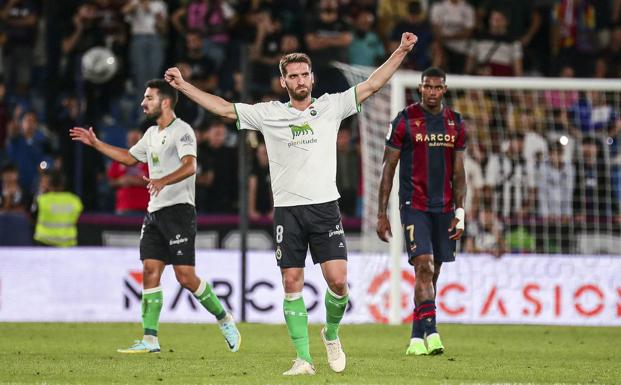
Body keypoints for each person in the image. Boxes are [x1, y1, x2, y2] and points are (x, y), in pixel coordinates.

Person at [164, 32, 418, 375]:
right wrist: (183, 86)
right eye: (293, 76)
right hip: (288, 211)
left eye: (304, 74)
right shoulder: (269, 114)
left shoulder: (330, 106)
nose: (300, 80)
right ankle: (303, 359)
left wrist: (400, 50)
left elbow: (372, 85)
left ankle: (330, 333)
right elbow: (224, 108)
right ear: (284, 81)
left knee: (339, 281)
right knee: (291, 283)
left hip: (325, 206)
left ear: (312, 77)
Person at [69, 79, 240, 354]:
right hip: (154, 213)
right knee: (150, 271)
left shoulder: (182, 131)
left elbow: (190, 166)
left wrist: (163, 181)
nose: (143, 102)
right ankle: (150, 339)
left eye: (149, 98)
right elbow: (127, 158)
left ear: (166, 101)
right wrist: (96, 143)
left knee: (185, 277)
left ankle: (224, 318)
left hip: (179, 211)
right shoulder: (150, 134)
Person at [376, 67, 466, 356]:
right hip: (414, 206)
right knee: (423, 265)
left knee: (432, 273)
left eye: (437, 88)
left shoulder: (456, 123)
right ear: (420, 87)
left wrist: (460, 211)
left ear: (444, 90)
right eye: (427, 87)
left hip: (444, 208)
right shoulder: (405, 121)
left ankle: (416, 338)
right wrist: (381, 213)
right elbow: (388, 168)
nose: (431, 92)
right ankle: (433, 332)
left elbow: (459, 172)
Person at [32, 171, 83, 247]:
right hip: (67, 244)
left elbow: (33, 216)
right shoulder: (75, 200)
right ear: (63, 184)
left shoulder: (41, 200)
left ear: (50, 185)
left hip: (44, 243)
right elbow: (78, 217)